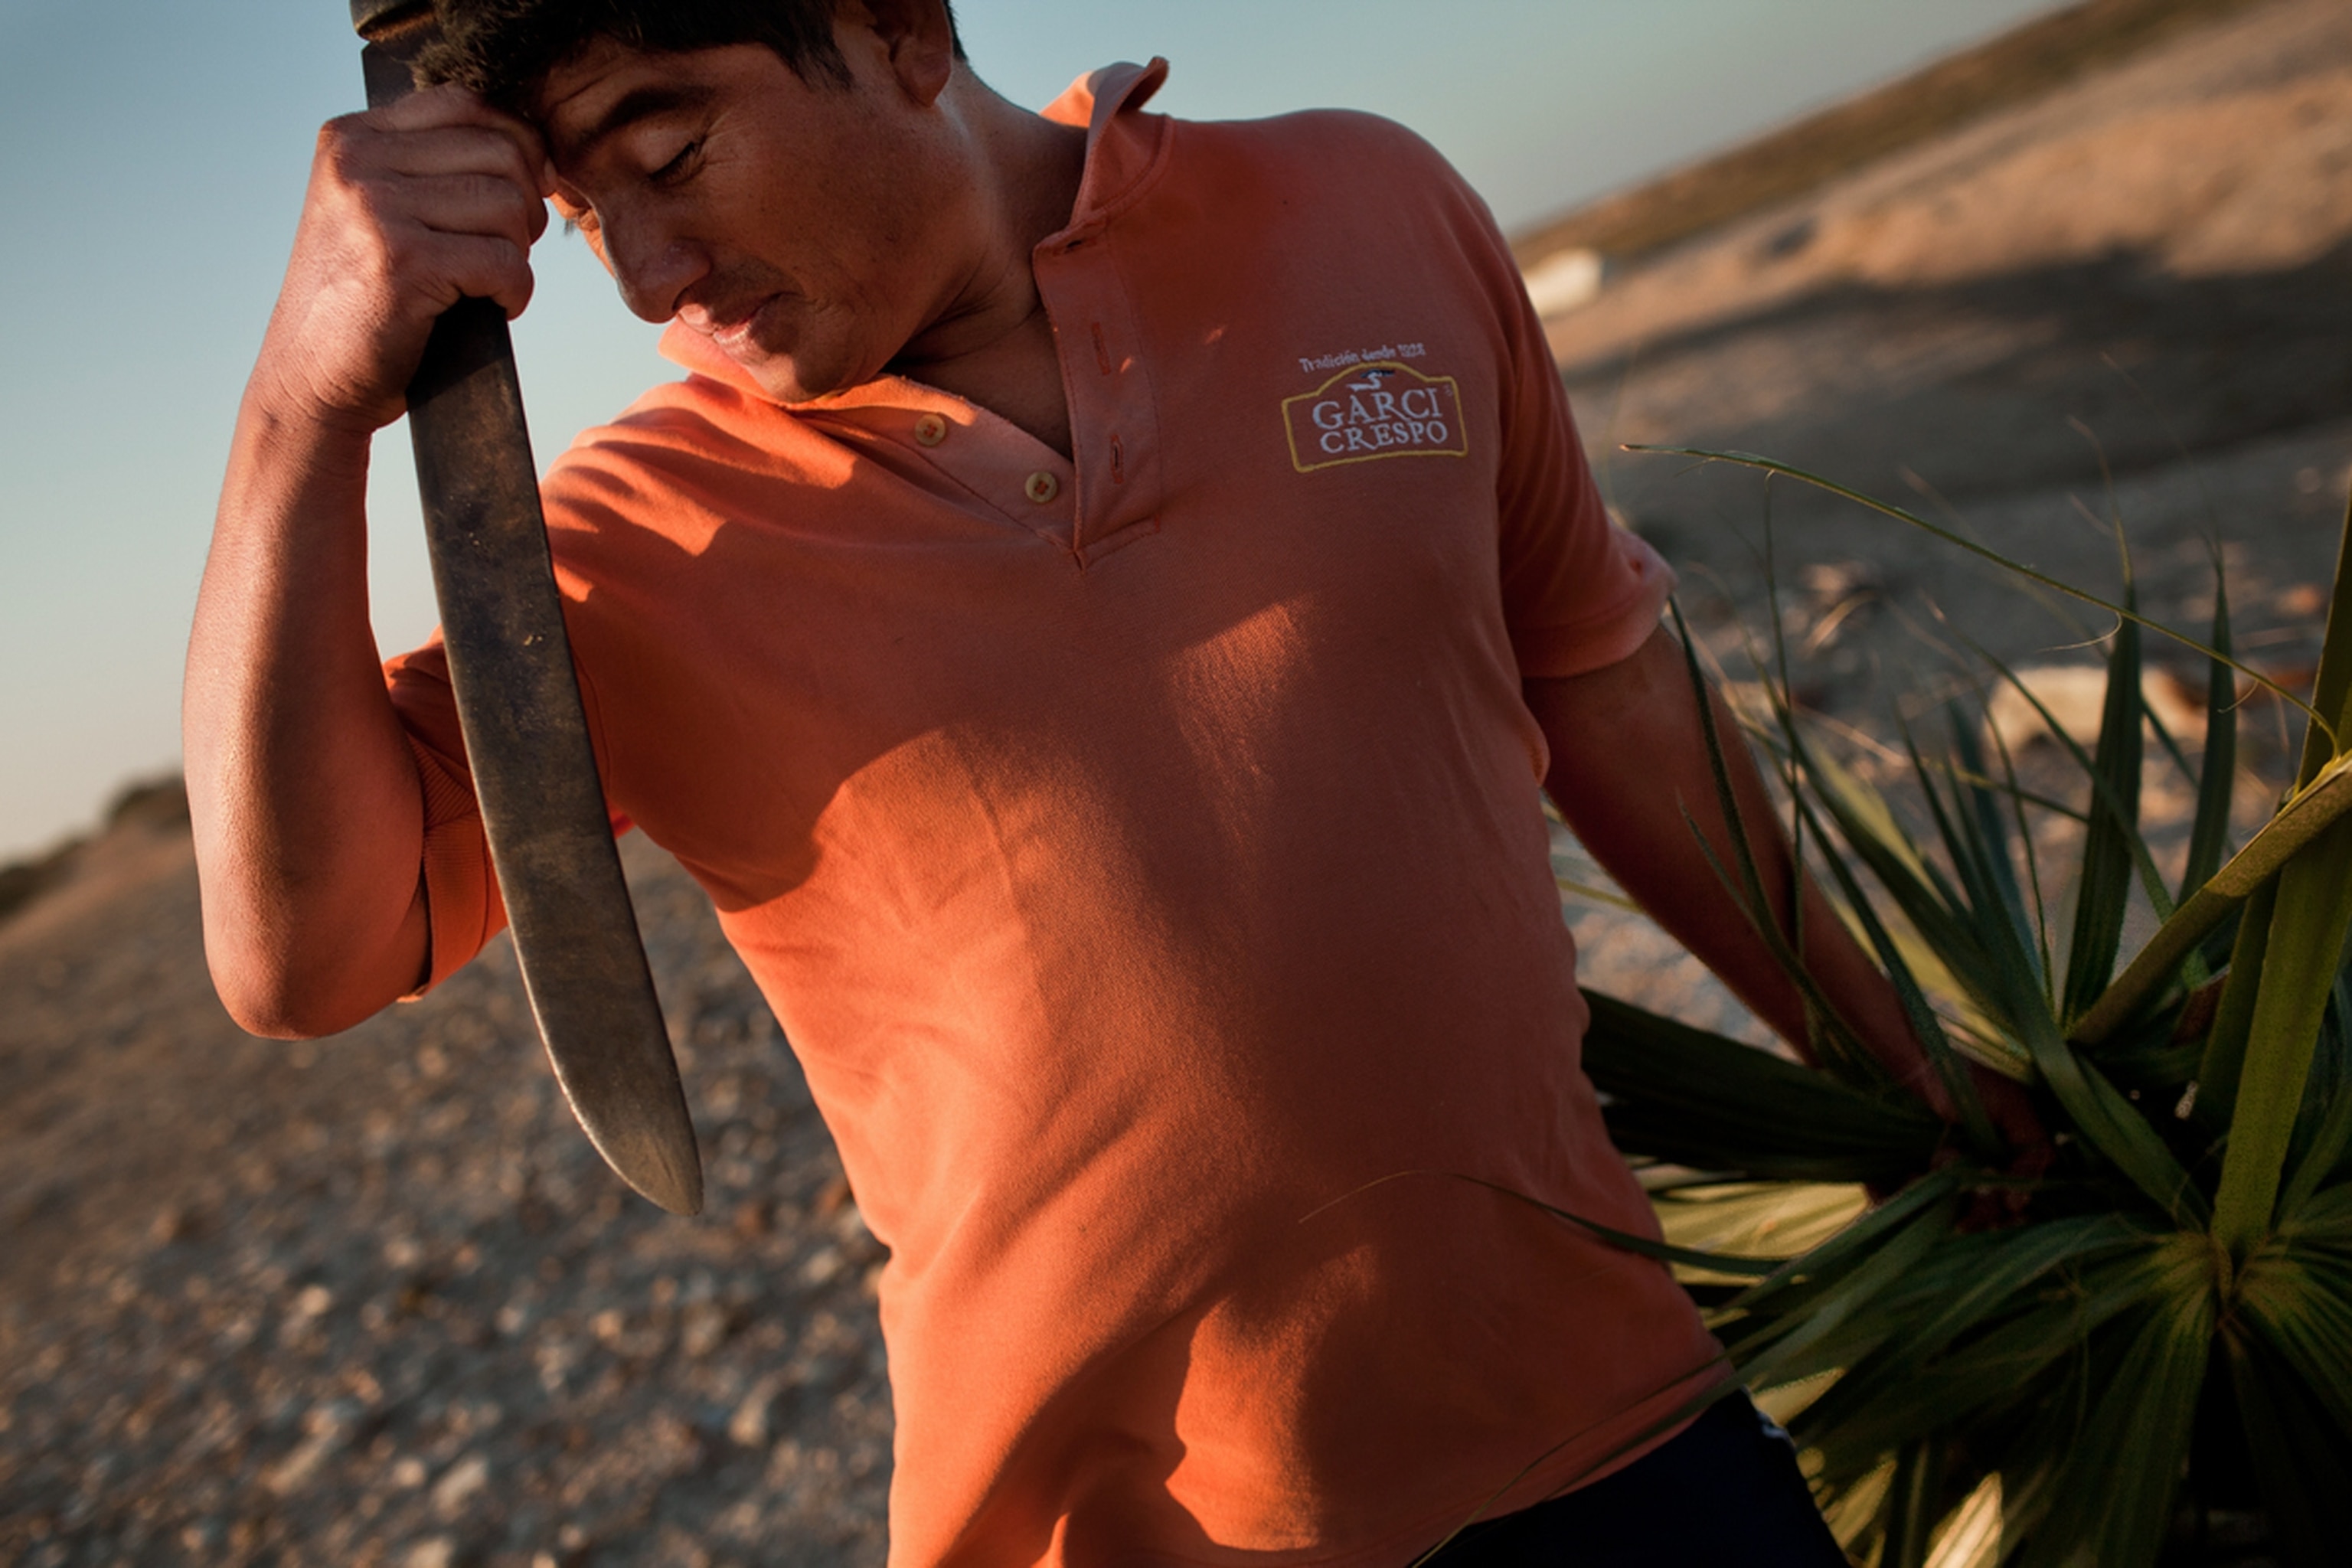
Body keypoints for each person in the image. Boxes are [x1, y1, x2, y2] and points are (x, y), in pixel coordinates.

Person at [185, 2, 2031, 1563]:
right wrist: (297, 413)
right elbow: (303, 957)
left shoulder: (1364, 209)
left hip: (1630, 1444)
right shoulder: (616, 547)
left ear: (901, 26)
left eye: (667, 158)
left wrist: (1909, 1085)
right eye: (587, 221)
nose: (653, 276)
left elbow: (1615, 696)